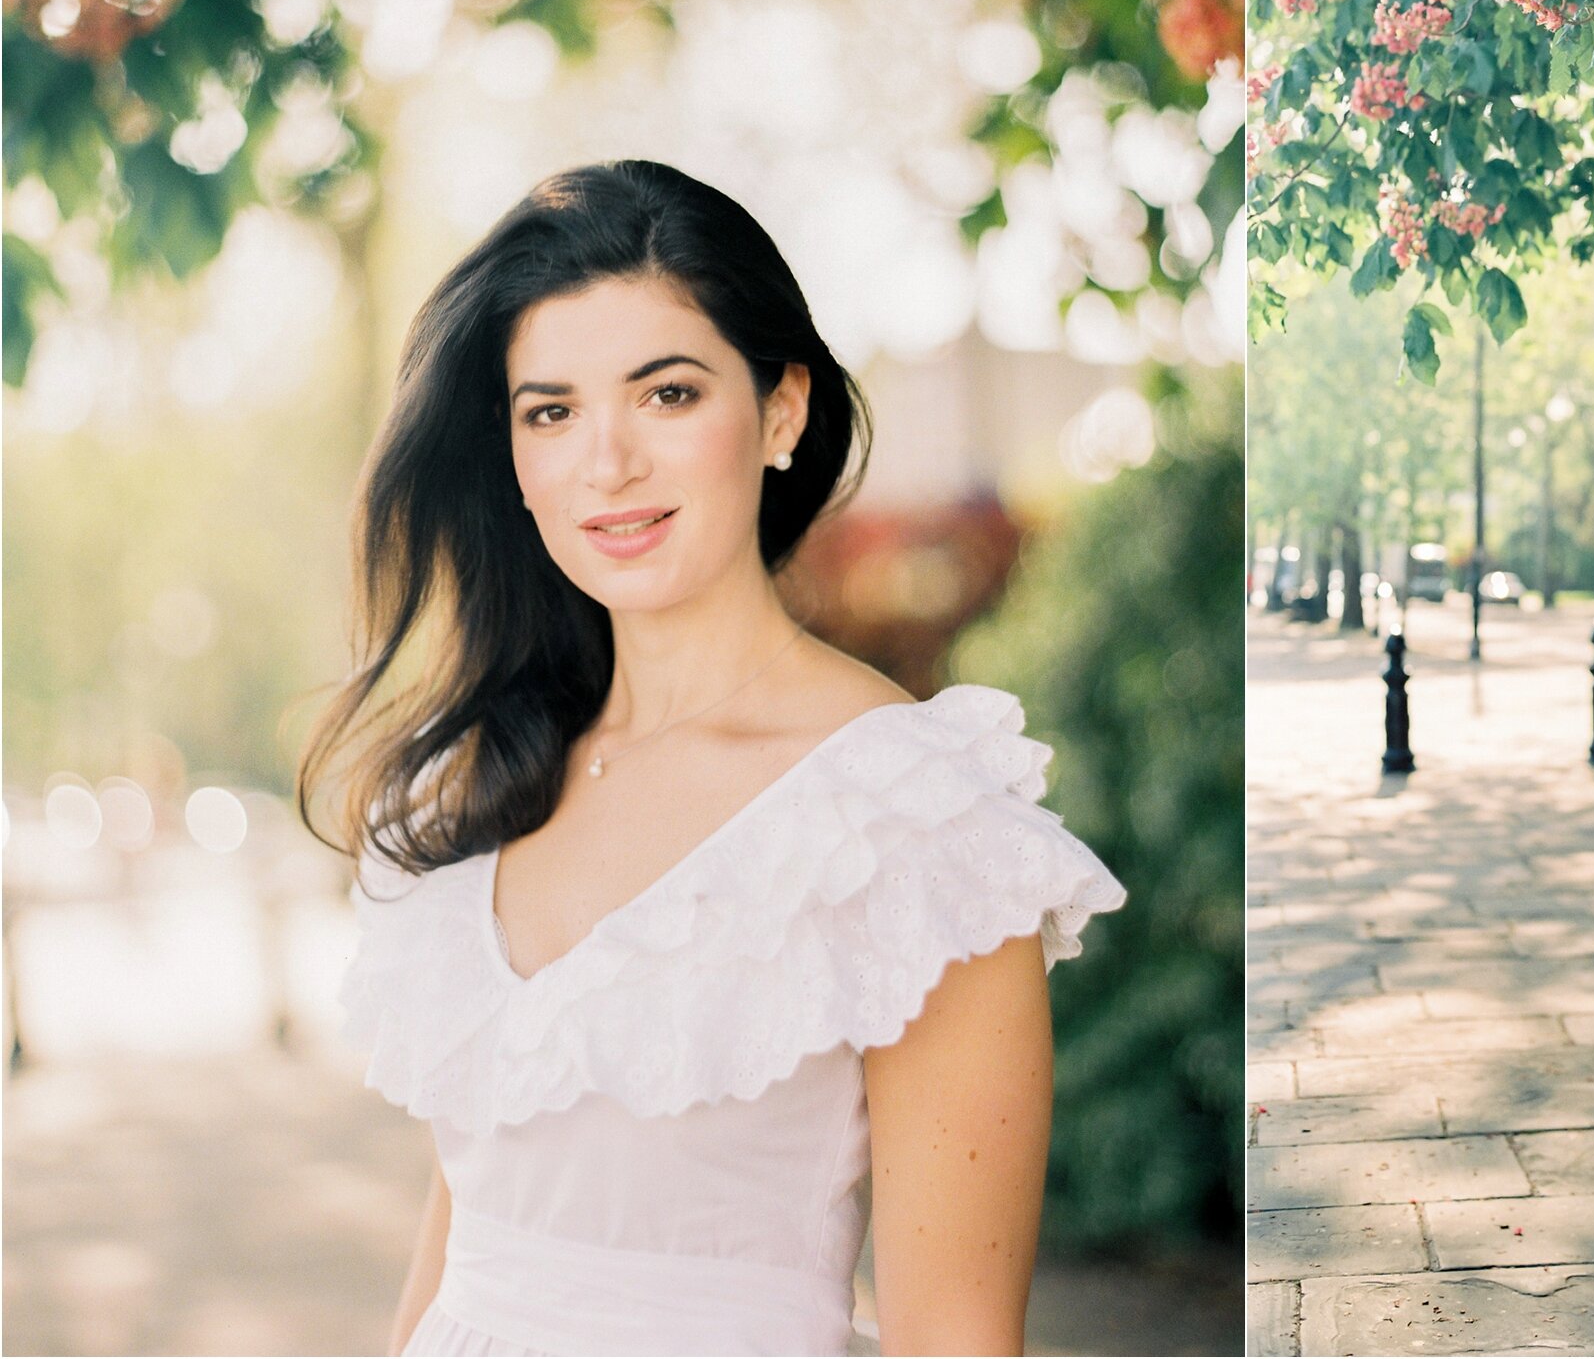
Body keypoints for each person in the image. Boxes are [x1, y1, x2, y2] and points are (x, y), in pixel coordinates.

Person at [299, 160, 1127, 1356]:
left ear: (781, 410)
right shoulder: (485, 778)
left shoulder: (920, 832)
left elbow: (956, 1338)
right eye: (552, 410)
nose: (608, 463)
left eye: (668, 394)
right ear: (515, 458)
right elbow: (460, 1247)